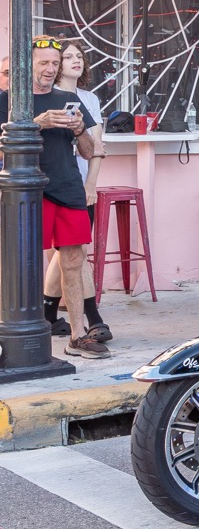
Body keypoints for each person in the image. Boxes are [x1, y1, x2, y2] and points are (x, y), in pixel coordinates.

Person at [0, 36, 104, 358]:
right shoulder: (8, 100)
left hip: (68, 187)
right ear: (26, 65)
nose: (50, 69)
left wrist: (79, 130)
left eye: (54, 63)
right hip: (27, 192)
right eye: (43, 63)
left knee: (73, 260)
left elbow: (89, 151)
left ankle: (77, 335)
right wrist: (36, 124)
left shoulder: (69, 97)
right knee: (16, 265)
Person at [44, 39, 110, 343]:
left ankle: (69, 322)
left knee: (74, 253)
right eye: (64, 57)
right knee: (58, 254)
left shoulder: (86, 98)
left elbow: (93, 147)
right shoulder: (25, 98)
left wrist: (91, 184)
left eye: (77, 56)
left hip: (77, 185)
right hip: (41, 187)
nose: (73, 61)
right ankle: (65, 315)